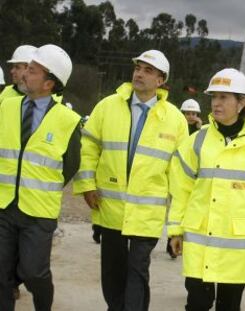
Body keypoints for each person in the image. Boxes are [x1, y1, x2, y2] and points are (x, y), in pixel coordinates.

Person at [73, 49, 188, 311]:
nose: (139, 73)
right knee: (112, 272)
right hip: (110, 208)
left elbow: (180, 173)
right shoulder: (107, 107)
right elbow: (88, 147)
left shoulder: (175, 120)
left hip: (147, 213)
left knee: (137, 271)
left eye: (148, 70)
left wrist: (177, 223)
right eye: (138, 67)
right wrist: (87, 185)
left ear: (161, 80)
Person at [168, 68, 245, 311]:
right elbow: (181, 191)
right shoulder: (197, 141)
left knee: (229, 306)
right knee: (197, 304)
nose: (216, 103)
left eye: (224, 97)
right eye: (214, 97)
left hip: (238, 247)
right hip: (199, 241)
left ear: (242, 102)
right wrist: (175, 230)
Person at [0, 44, 81, 311]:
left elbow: (71, 164)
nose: (24, 75)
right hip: (4, 206)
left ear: (48, 83)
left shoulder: (68, 120)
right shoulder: (6, 107)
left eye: (32, 71)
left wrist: (44, 187)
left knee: (34, 273)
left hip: (38, 213)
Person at [165, 98, 204, 259]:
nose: (190, 116)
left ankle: (183, 241)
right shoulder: (176, 127)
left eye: (193, 113)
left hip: (190, 177)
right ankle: (171, 242)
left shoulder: (201, 132)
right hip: (174, 174)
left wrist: (200, 127)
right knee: (174, 209)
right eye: (187, 113)